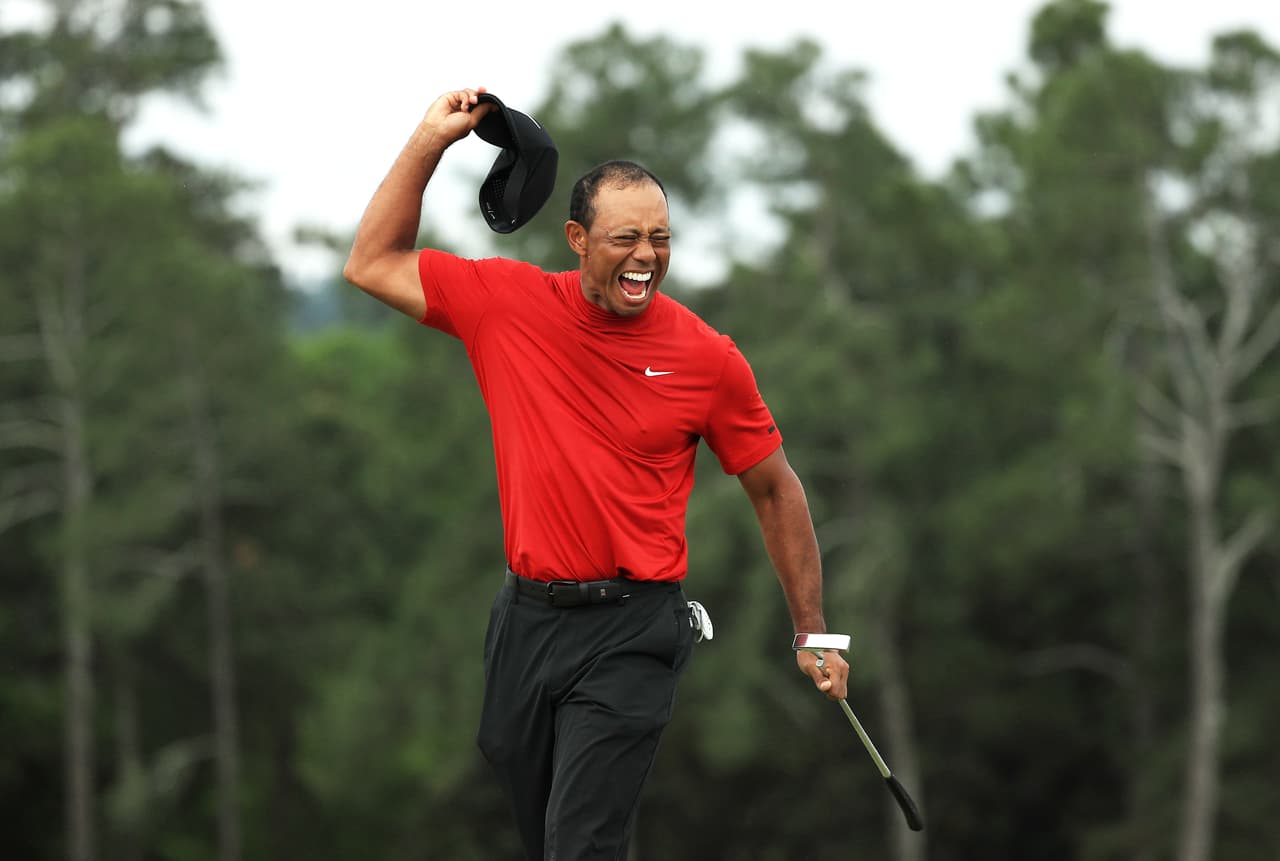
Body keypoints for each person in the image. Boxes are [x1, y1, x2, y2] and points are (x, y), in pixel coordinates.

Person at [343, 86, 849, 861]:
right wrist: (427, 143)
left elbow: (775, 485)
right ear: (577, 237)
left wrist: (812, 626)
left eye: (660, 237)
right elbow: (372, 262)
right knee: (535, 813)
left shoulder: (708, 358)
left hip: (632, 627)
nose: (646, 255)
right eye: (624, 238)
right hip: (526, 621)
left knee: (581, 841)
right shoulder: (504, 306)